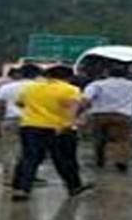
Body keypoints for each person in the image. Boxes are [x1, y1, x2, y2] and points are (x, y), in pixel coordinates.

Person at [12, 65, 94, 201]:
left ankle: (21, 188)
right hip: (58, 127)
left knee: (29, 158)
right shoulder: (70, 89)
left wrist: (36, 110)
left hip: (30, 125)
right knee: (64, 159)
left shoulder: (32, 88)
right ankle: (74, 186)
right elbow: (73, 108)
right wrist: (68, 123)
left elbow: (20, 103)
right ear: (69, 77)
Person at [82, 62, 132, 172]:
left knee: (99, 139)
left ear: (107, 73)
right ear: (127, 74)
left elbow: (86, 98)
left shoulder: (97, 84)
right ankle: (121, 161)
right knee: (123, 140)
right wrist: (131, 100)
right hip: (123, 115)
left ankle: (100, 159)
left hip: (99, 114)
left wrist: (82, 112)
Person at [0, 64, 42, 185]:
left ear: (21, 73)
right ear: (37, 75)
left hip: (10, 119)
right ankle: (28, 176)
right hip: (33, 122)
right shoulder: (40, 88)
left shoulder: (6, 87)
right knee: (31, 151)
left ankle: (9, 178)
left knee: (9, 150)